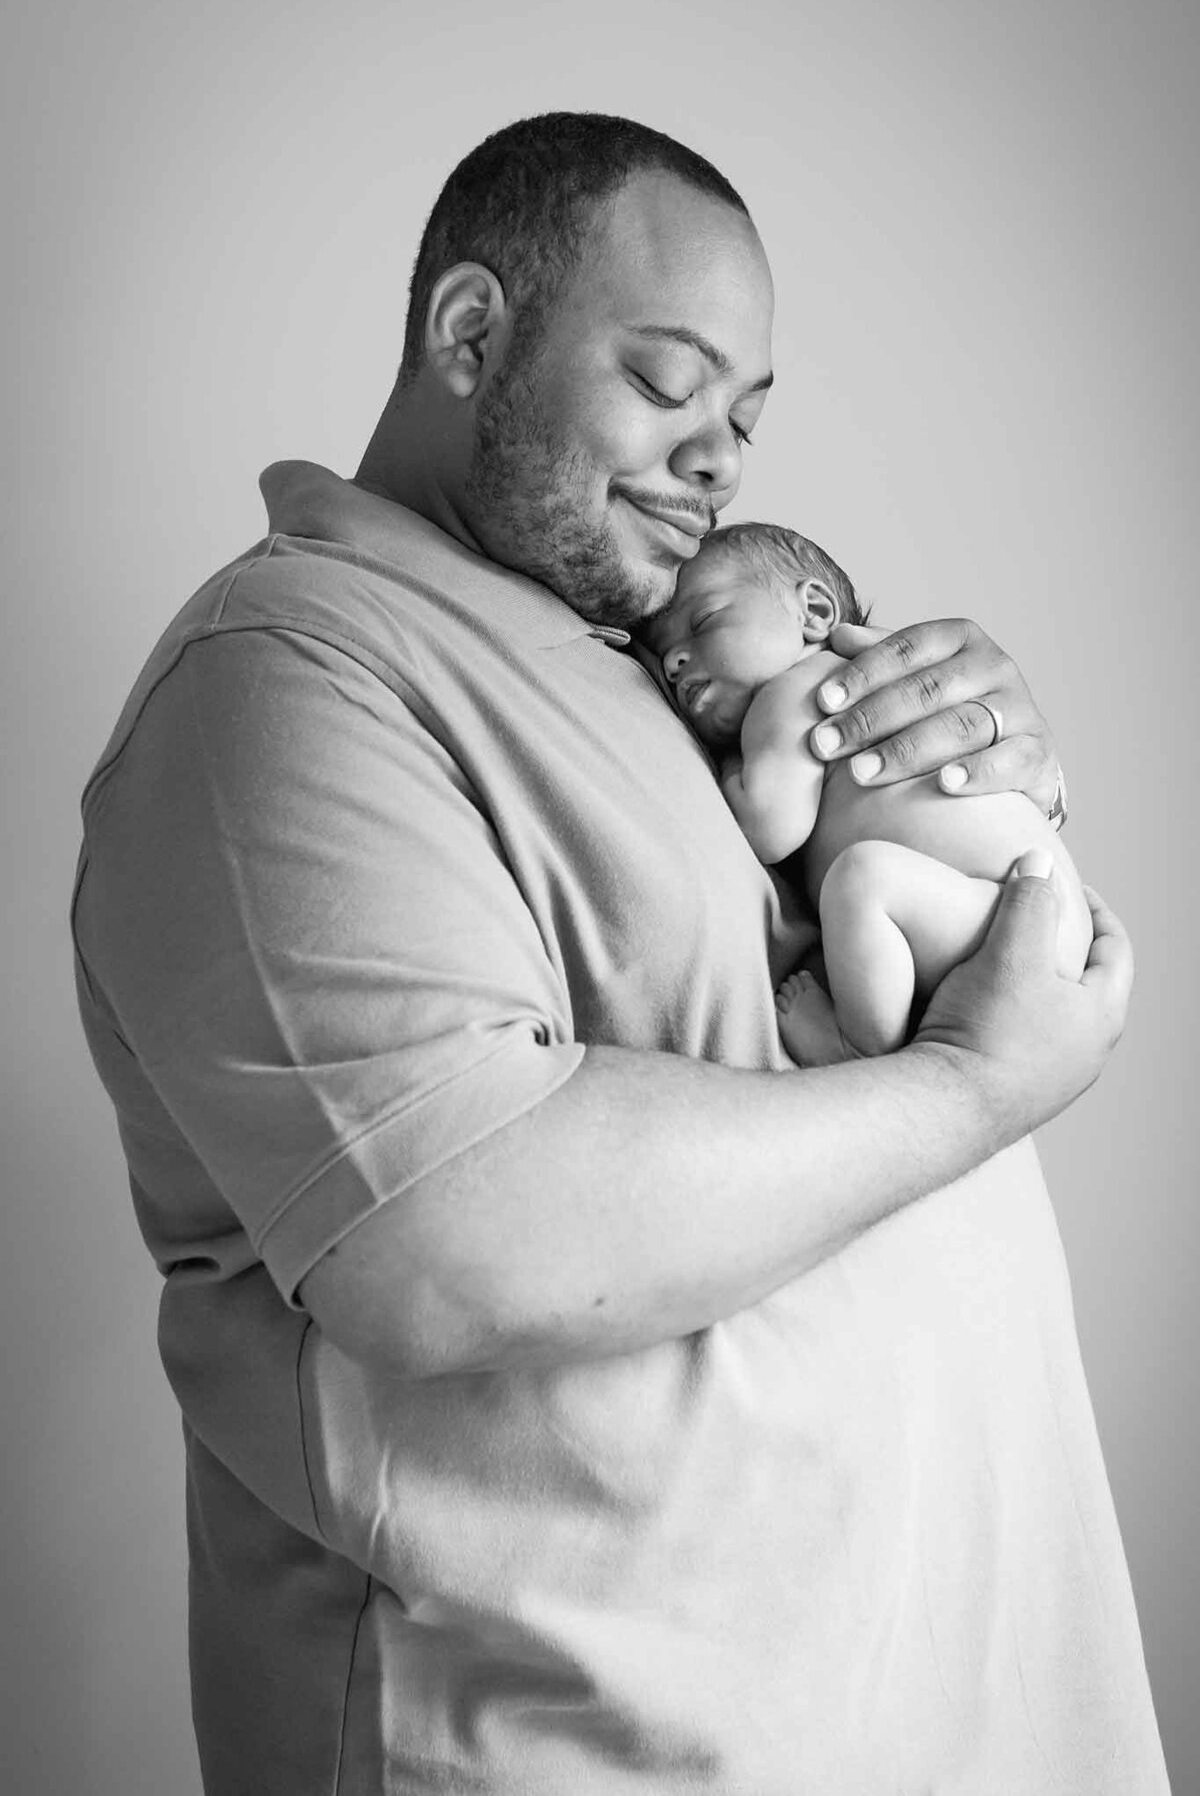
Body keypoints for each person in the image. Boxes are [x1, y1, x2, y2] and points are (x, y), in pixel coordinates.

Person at [71, 112, 1167, 1794]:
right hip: (582, 1745)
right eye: (668, 384)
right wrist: (978, 1086)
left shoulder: (658, 667)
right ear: (470, 334)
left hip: (917, 1709)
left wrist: (967, 760)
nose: (723, 455)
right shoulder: (289, 674)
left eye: (744, 416)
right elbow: (449, 1237)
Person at [645, 521, 1093, 1061]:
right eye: (665, 655)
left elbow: (768, 827)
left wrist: (729, 765)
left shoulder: (797, 690)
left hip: (1004, 916)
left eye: (705, 621)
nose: (674, 660)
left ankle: (854, 1044)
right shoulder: (856, 682)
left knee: (862, 879)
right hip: (1045, 921)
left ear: (813, 613)